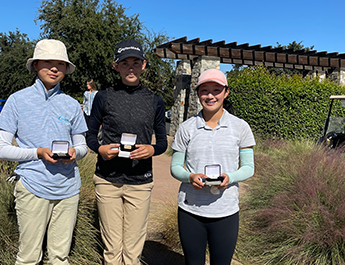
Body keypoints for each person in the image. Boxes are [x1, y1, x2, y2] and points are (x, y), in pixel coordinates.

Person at [0, 39, 88, 265]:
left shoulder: (72, 104)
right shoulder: (18, 100)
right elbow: (1, 149)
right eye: (47, 62)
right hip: (32, 187)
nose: (54, 68)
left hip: (68, 190)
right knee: (28, 258)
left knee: (60, 257)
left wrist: (76, 152)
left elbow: (83, 146)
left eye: (60, 64)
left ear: (66, 69)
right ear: (35, 65)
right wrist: (37, 152)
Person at [86, 39, 167, 265]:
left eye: (135, 62)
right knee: (112, 250)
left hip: (140, 182)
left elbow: (162, 143)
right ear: (116, 66)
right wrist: (100, 149)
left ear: (144, 65)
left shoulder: (155, 101)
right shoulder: (103, 97)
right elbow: (90, 136)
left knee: (132, 252)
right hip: (107, 181)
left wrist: (151, 149)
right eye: (124, 63)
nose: (130, 68)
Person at [170, 69, 255, 265]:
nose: (210, 96)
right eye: (204, 90)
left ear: (226, 92)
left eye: (216, 90)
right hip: (190, 210)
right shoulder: (186, 128)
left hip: (225, 211)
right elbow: (175, 167)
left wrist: (230, 177)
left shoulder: (240, 127)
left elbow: (249, 167)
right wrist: (190, 177)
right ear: (198, 93)